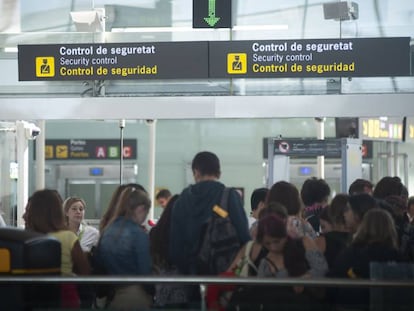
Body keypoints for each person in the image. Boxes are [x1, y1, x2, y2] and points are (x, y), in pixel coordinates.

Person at [169, 151, 250, 303]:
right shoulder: (229, 196)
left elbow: (175, 249)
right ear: (218, 172)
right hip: (224, 280)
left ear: (196, 172)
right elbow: (245, 239)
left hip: (192, 280)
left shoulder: (181, 201)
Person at [26, 189, 90, 309]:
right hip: (65, 296)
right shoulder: (68, 236)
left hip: (34, 296)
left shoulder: (28, 237)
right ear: (58, 211)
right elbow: (85, 271)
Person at [331, 208, 403, 310]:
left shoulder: (350, 252)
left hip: (350, 304)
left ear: (363, 226)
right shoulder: (396, 255)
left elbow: (335, 278)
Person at [96, 186, 153, 309]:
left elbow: (99, 263)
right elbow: (145, 272)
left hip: (114, 294)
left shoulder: (107, 230)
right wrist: (152, 292)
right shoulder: (138, 234)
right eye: (146, 213)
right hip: (136, 295)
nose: (144, 219)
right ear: (141, 209)